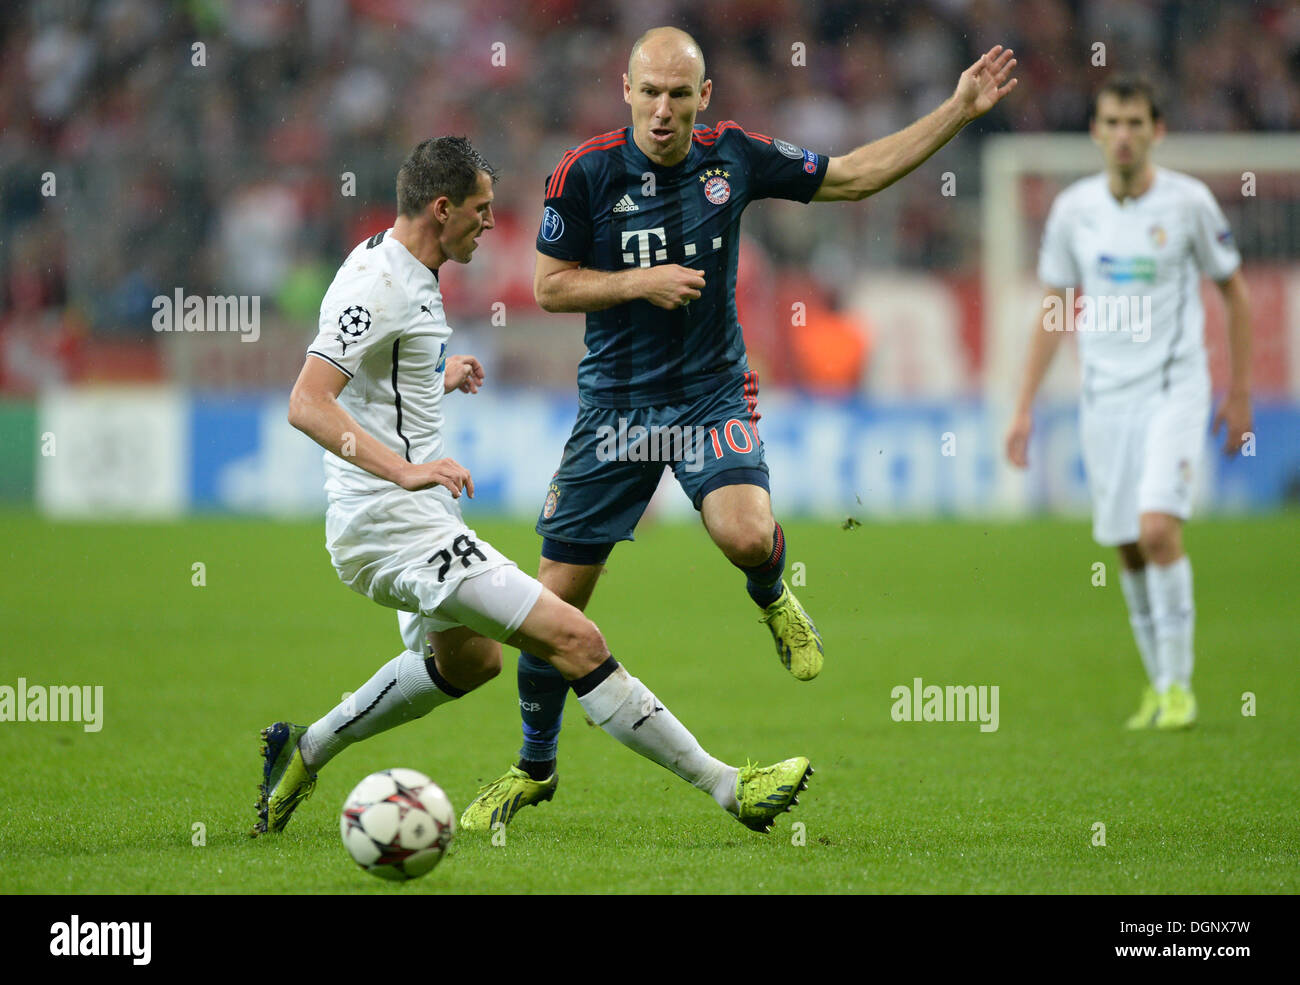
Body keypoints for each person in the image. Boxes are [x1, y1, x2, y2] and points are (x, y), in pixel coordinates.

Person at [461, 27, 1017, 831]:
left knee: (748, 534)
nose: (662, 110)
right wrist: (640, 282)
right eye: (649, 93)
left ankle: (773, 595)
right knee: (554, 612)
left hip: (708, 396)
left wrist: (958, 110)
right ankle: (533, 767)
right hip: (614, 413)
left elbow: (855, 177)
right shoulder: (583, 173)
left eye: (678, 95)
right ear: (626, 91)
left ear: (703, 97)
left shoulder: (734, 158)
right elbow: (549, 287)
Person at [251, 136, 812, 839]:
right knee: (573, 637)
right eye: (482, 210)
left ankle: (303, 750)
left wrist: (434, 376)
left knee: (472, 661)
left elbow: (371, 375)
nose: (491, 224)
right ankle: (730, 786)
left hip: (408, 518)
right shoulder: (379, 284)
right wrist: (404, 469)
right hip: (394, 524)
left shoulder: (401, 265)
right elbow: (307, 402)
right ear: (442, 207)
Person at [1005, 77, 1253, 730]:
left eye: (1135, 122)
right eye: (1112, 121)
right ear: (1095, 131)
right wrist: (1024, 404)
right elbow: (1055, 309)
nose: (1123, 134)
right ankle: (1158, 684)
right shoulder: (1074, 210)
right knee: (1129, 546)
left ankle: (1179, 688)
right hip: (1103, 398)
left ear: (1157, 131)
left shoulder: (1189, 203)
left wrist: (1241, 392)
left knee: (1158, 529)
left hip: (1174, 387)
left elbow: (1236, 293)